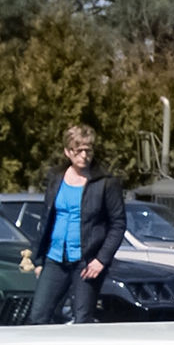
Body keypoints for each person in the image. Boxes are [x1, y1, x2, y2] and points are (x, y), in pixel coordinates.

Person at [28, 125, 125, 324]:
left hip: (86, 262)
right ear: (67, 151)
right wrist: (38, 261)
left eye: (87, 150)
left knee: (82, 319)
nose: (83, 155)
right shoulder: (56, 178)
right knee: (38, 316)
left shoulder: (105, 182)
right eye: (77, 150)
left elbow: (118, 224)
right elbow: (46, 218)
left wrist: (101, 260)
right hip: (54, 259)